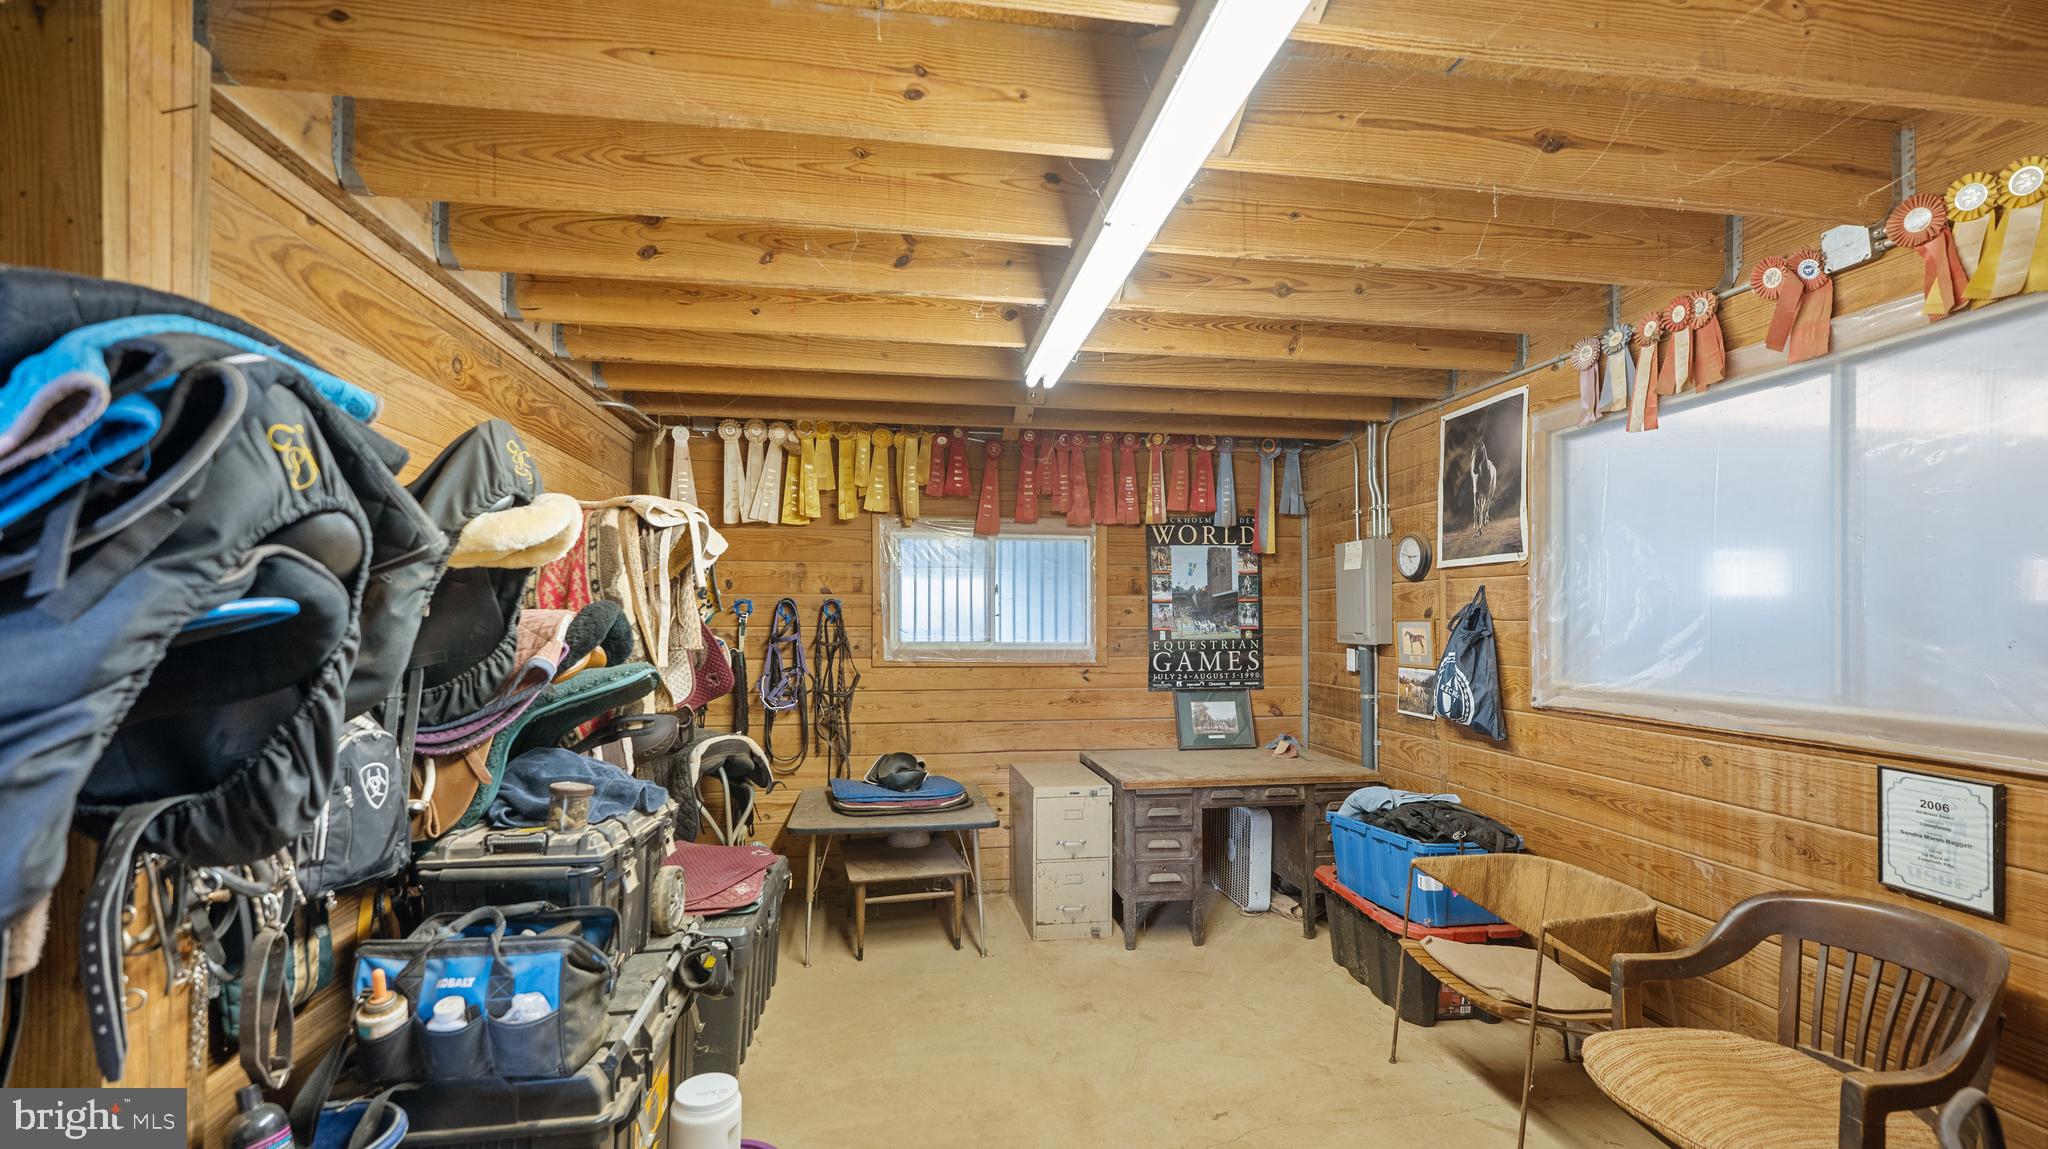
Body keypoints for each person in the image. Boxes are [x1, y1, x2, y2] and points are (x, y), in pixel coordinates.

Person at [1469, 438, 1497, 536]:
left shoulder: (1490, 467)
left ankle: (1482, 522)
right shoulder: (1475, 462)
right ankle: (1478, 524)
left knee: (1484, 504)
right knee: (1478, 506)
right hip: (1478, 481)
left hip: (1486, 482)